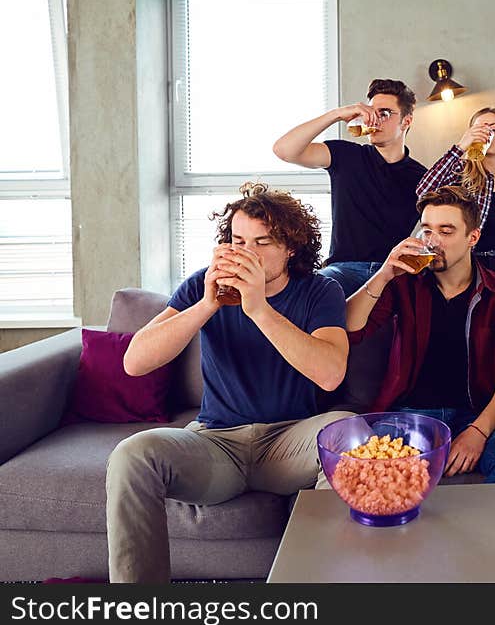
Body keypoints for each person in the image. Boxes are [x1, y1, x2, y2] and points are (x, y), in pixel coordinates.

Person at [106, 182, 353, 582]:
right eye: (238, 240)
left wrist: (259, 309)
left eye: (262, 242)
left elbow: (330, 374)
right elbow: (135, 362)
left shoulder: (320, 290)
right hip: (216, 445)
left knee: (346, 429)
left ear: (291, 247)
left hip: (288, 443)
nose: (246, 253)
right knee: (132, 453)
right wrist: (206, 304)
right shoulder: (203, 285)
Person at [346, 185, 495, 483]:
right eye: (427, 230)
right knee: (365, 468)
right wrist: (385, 272)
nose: (433, 241)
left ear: (472, 238)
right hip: (410, 416)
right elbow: (350, 329)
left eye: (446, 231)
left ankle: (494, 530)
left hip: (474, 414)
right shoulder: (404, 283)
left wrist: (479, 430)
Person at [273, 78, 427, 297]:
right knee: (314, 290)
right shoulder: (346, 155)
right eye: (371, 111)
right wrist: (337, 114)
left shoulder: (422, 177)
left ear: (406, 121)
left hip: (394, 273)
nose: (374, 119)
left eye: (384, 113)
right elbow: (284, 150)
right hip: (343, 270)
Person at [416, 106, 495, 280]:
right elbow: (423, 190)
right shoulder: (460, 170)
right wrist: (461, 147)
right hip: (464, 268)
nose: (487, 135)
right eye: (479, 130)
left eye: (493, 129)